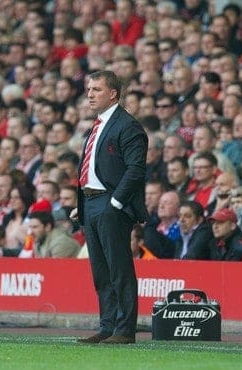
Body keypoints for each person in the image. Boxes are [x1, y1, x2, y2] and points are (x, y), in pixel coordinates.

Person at [71, 71, 148, 345]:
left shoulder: (127, 125)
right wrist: (80, 202)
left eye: (96, 89)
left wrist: (116, 202)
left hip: (110, 203)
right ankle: (107, 326)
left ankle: (125, 330)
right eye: (89, 89)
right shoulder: (98, 124)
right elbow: (93, 166)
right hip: (91, 203)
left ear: (113, 93)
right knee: (101, 271)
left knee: (119, 268)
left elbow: (136, 169)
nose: (90, 94)